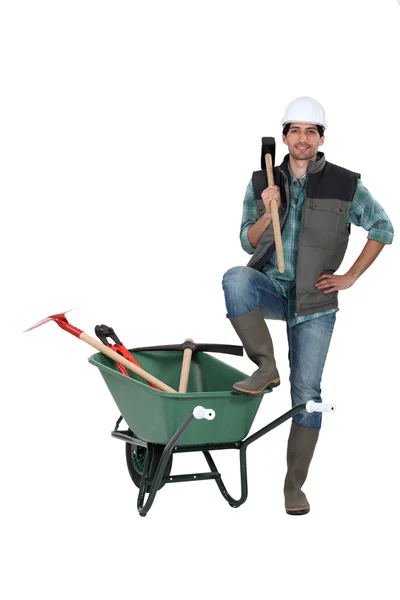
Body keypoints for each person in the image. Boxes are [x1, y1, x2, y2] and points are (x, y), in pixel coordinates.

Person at [222, 96, 394, 515]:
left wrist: (350, 277)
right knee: (235, 278)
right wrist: (268, 210)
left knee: (308, 394)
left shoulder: (343, 183)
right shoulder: (262, 180)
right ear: (284, 137)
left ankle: (293, 485)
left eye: (310, 132)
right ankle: (265, 366)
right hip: (272, 289)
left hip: (315, 301)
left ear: (321, 138)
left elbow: (383, 228)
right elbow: (247, 240)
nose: (302, 139)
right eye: (294, 131)